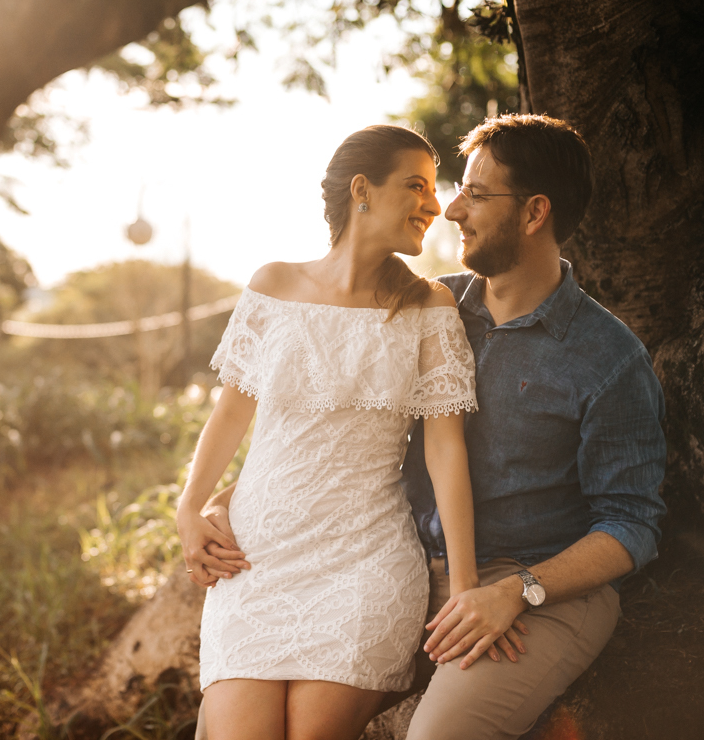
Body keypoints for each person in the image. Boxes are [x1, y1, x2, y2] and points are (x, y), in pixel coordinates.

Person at [190, 114, 667, 740]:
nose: (450, 210)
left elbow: (632, 523)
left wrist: (516, 591)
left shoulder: (607, 358)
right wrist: (225, 500)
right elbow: (334, 429)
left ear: (534, 213)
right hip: (412, 564)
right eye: (448, 189)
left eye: (476, 194)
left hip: (533, 582)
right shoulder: (421, 302)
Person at [176, 125, 489, 740]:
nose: (434, 205)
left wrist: (465, 585)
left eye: (434, 189)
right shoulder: (273, 285)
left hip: (364, 564)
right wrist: (190, 507)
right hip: (254, 563)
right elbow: (230, 414)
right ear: (361, 190)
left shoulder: (428, 307)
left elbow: (445, 451)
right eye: (417, 186)